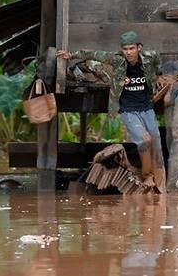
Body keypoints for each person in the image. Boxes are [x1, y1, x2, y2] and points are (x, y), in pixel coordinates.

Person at [57, 31, 166, 193]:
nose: (128, 52)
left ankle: (160, 181)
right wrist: (71, 55)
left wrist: (158, 76)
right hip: (127, 109)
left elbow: (158, 61)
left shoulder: (150, 57)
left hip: (147, 107)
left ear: (139, 48)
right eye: (125, 49)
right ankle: (147, 176)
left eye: (131, 48)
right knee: (144, 140)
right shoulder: (117, 60)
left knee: (155, 140)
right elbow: (93, 54)